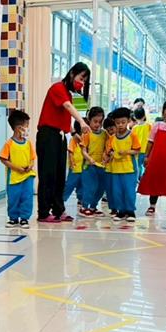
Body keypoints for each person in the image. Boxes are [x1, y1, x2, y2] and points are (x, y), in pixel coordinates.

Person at [36, 63, 91, 224]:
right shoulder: (58, 88)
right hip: (48, 135)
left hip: (59, 136)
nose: (82, 83)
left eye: (84, 81)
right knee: (48, 175)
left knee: (60, 175)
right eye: (81, 78)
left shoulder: (68, 94)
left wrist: (73, 134)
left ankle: (59, 210)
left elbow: (63, 117)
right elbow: (67, 106)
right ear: (72, 73)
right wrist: (82, 122)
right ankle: (43, 212)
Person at [0, 109, 36, 228]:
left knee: (27, 197)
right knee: (13, 198)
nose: (28, 128)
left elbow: (32, 158)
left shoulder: (28, 143)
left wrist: (30, 165)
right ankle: (13, 218)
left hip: (28, 175)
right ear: (18, 128)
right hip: (14, 177)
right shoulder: (9, 143)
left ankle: (24, 218)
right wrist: (16, 168)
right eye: (26, 126)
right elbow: (3, 158)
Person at [105, 107, 141, 223]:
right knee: (117, 191)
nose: (120, 125)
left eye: (123, 122)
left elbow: (137, 150)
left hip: (129, 169)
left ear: (128, 121)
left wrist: (126, 152)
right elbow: (109, 151)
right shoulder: (112, 138)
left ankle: (130, 211)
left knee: (129, 191)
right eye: (118, 123)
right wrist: (111, 154)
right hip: (115, 170)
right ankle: (121, 211)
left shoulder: (132, 136)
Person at [79, 106, 107, 217]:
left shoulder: (104, 134)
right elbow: (83, 151)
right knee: (89, 187)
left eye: (100, 122)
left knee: (101, 188)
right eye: (95, 121)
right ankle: (84, 207)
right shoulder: (86, 134)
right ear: (89, 120)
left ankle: (93, 207)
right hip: (89, 165)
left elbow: (108, 147)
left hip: (101, 166)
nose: (98, 124)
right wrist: (89, 159)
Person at [63, 121, 84, 208]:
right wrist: (71, 161)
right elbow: (70, 151)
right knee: (70, 184)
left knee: (82, 184)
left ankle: (81, 199)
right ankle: (62, 198)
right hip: (75, 167)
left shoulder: (86, 138)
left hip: (83, 167)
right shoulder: (74, 139)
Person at [132, 105, 151, 179]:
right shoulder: (149, 126)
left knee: (138, 166)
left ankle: (138, 179)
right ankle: (146, 179)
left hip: (137, 150)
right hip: (147, 150)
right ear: (144, 116)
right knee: (147, 166)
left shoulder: (134, 128)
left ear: (134, 117)